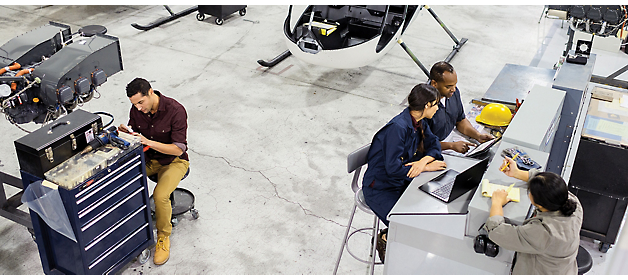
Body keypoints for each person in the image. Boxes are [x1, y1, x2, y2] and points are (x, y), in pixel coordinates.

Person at [362, 83, 447, 262]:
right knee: (407, 226)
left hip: (402, 181)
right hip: (379, 188)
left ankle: (396, 238)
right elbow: (393, 169)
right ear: (427, 106)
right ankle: (385, 239)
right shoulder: (398, 128)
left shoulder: (420, 122)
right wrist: (424, 167)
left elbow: (435, 146)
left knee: (429, 213)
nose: (438, 108)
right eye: (436, 104)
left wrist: (423, 161)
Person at [118, 78, 190, 265]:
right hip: (149, 159)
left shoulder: (175, 110)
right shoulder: (136, 109)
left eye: (141, 102)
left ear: (151, 92)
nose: (138, 108)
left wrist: (148, 142)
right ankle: (130, 229)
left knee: (160, 195)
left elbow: (178, 149)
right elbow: (135, 134)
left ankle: (163, 237)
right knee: (122, 182)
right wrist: (127, 132)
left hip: (174, 162)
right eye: (134, 104)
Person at [486, 157, 583, 274]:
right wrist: (516, 173)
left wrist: (497, 202)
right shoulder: (573, 203)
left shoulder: (544, 232)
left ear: (539, 204)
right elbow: (548, 184)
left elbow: (496, 231)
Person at [424, 61, 494, 154]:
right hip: (435, 150)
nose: (453, 89)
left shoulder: (453, 93)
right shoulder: (424, 106)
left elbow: (460, 120)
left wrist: (477, 135)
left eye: (455, 85)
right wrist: (451, 146)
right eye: (448, 86)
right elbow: (423, 145)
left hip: (451, 140)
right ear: (434, 84)